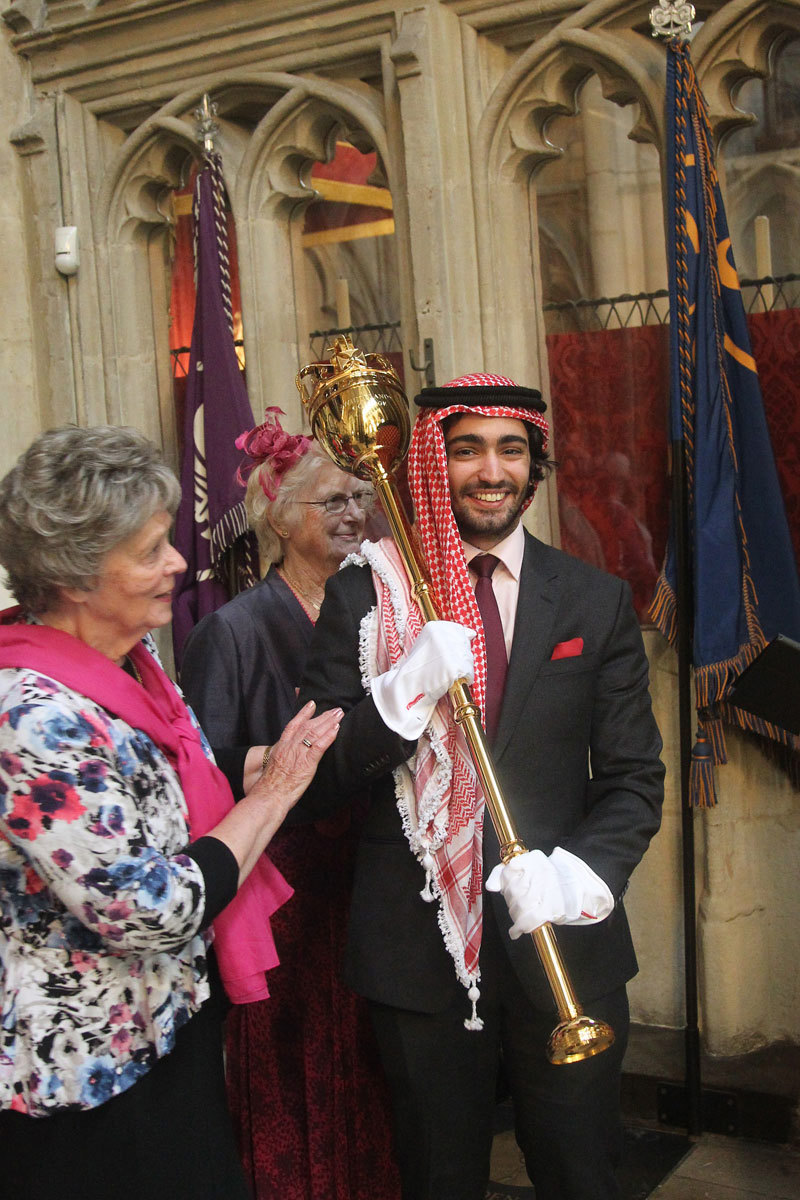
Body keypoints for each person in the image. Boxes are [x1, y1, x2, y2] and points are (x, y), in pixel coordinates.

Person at [297, 373, 665, 1200]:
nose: (490, 470)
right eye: (466, 450)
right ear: (434, 464)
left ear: (536, 464)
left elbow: (635, 777)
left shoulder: (594, 600)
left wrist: (583, 875)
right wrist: (399, 698)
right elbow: (316, 784)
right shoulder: (366, 597)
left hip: (565, 942)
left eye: (511, 449)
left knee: (582, 1172)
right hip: (416, 955)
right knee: (439, 1177)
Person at [0, 425, 341, 1200]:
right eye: (152, 549)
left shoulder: (129, 663)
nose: (180, 562)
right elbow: (149, 909)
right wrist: (277, 791)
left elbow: (158, 792)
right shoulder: (32, 711)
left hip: (163, 1028)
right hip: (82, 1077)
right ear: (78, 573)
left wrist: (273, 759)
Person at [180, 408, 400, 1200]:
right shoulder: (233, 630)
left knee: (375, 1060)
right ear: (280, 517)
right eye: (332, 502)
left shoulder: (380, 617)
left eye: (359, 501)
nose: (352, 517)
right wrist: (278, 765)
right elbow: (196, 770)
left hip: (373, 877)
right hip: (281, 889)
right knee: (293, 1062)